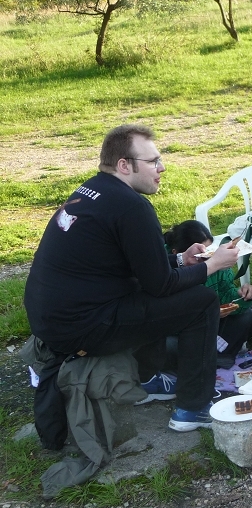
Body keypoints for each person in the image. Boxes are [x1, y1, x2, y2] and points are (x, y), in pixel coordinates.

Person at [24, 124, 240, 432]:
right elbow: (161, 285)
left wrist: (181, 259)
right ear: (124, 165)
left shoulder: (93, 190)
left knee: (149, 295)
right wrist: (213, 264)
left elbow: (139, 267)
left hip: (52, 319)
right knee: (202, 302)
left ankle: (146, 379)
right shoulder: (132, 207)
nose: (161, 168)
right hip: (81, 326)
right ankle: (193, 408)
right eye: (152, 161)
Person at [164, 220, 252, 370]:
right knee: (168, 345)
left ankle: (212, 357)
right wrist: (205, 315)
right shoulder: (167, 274)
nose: (209, 259)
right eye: (201, 255)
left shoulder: (216, 262)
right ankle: (216, 356)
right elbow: (166, 320)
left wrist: (243, 295)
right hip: (181, 332)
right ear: (178, 254)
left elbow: (227, 294)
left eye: (210, 251)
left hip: (212, 325)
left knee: (246, 316)